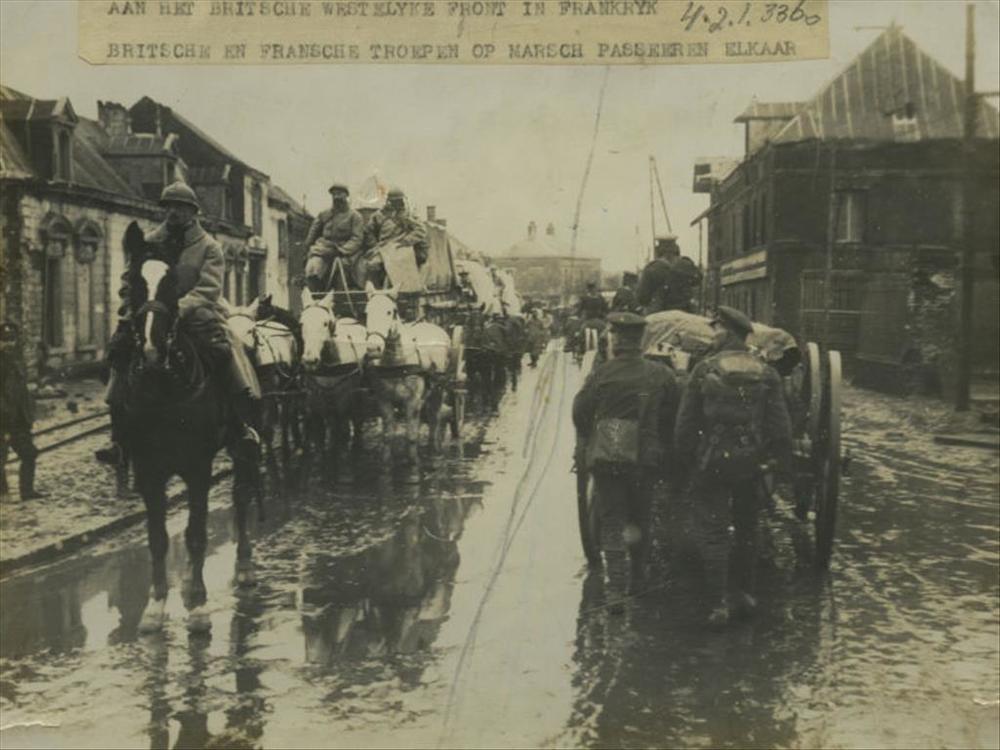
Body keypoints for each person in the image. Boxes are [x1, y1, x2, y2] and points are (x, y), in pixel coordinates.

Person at [101, 182, 261, 462]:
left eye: (180, 207)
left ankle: (240, 424)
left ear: (193, 211)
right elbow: (129, 280)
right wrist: (135, 305)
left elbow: (208, 289)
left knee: (223, 350)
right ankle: (118, 435)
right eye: (169, 206)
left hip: (195, 315)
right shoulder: (149, 241)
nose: (173, 212)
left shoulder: (209, 247)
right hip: (150, 313)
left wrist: (175, 310)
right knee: (120, 349)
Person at [674, 305, 792, 627]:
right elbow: (780, 427)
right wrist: (776, 463)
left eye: (716, 330)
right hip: (751, 463)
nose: (712, 335)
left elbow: (685, 425)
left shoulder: (704, 369)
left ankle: (718, 605)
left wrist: (687, 463)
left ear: (726, 332)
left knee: (714, 532)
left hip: (712, 462)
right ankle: (746, 595)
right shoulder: (767, 373)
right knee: (747, 529)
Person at [572, 312, 681, 607]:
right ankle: (638, 580)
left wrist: (594, 435)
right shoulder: (661, 374)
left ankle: (616, 591)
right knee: (641, 517)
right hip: (645, 459)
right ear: (641, 341)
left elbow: (580, 413)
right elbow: (674, 412)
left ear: (616, 340)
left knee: (612, 521)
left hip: (609, 455)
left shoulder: (602, 373)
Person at [1, 321, 45, 500]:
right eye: (4, 340)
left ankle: (27, 491)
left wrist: (28, 412)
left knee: (29, 454)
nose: (9, 344)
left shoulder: (15, 361)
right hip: (3, 420)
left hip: (19, 419)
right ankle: (2, 493)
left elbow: (21, 391)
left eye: (12, 339)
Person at [358, 187, 428, 288]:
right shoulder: (379, 215)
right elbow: (368, 231)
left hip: (402, 247)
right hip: (383, 247)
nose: (397, 204)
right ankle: (376, 292)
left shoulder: (408, 214)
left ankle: (406, 290)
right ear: (389, 201)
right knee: (373, 265)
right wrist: (374, 245)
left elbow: (421, 230)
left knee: (403, 265)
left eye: (399, 201)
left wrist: (407, 240)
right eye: (394, 201)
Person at [303, 182, 365, 293]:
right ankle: (315, 294)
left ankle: (341, 294)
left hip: (346, 250)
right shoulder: (324, 214)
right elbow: (313, 233)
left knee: (345, 268)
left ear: (346, 195)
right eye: (334, 194)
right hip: (324, 248)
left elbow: (357, 239)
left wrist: (342, 250)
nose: (336, 197)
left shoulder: (355, 216)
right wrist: (308, 248)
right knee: (313, 267)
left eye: (340, 194)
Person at [637, 235, 701, 314]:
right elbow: (698, 280)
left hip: (660, 313)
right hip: (686, 311)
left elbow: (642, 298)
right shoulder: (687, 264)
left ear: (658, 250)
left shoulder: (652, 268)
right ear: (676, 248)